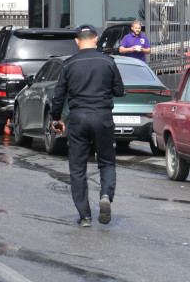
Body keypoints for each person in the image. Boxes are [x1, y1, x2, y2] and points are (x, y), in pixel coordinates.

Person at [50, 24, 125, 227]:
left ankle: (84, 216)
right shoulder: (108, 62)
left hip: (78, 118)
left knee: (77, 168)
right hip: (102, 117)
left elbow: (58, 95)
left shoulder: (68, 64)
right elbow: (119, 90)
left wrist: (55, 118)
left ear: (77, 41)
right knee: (107, 162)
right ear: (96, 39)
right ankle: (106, 196)